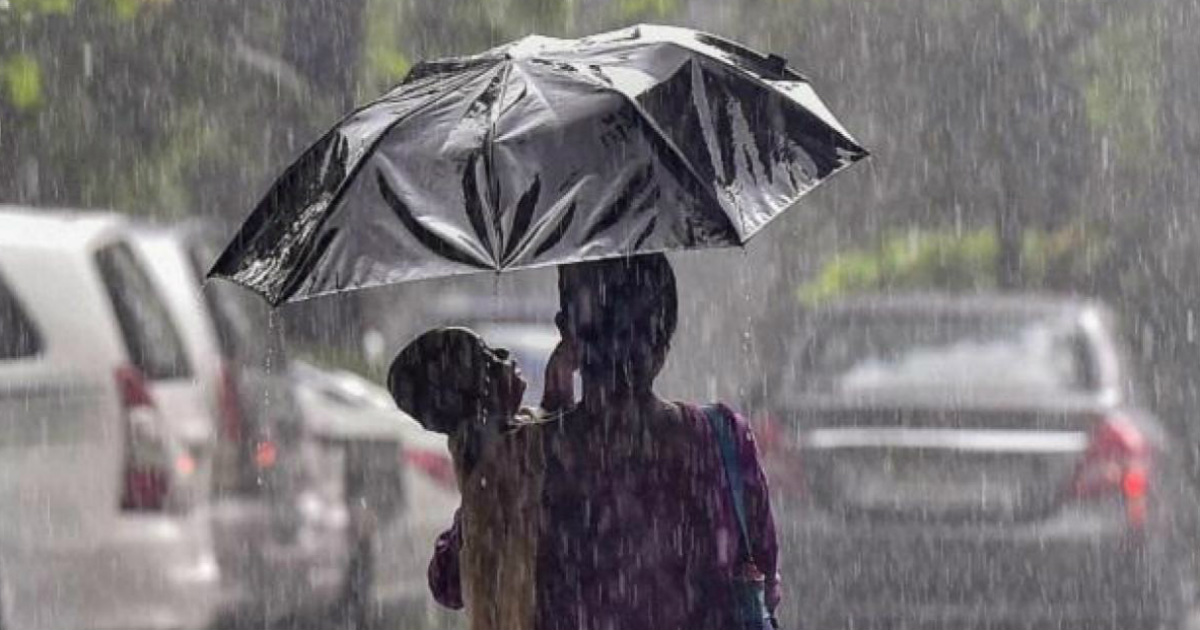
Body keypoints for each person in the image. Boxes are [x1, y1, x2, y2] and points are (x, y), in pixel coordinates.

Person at [404, 254, 781, 630]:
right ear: (666, 333)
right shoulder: (724, 439)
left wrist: (534, 429)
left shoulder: (527, 457)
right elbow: (762, 582)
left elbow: (451, 582)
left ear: (567, 332)